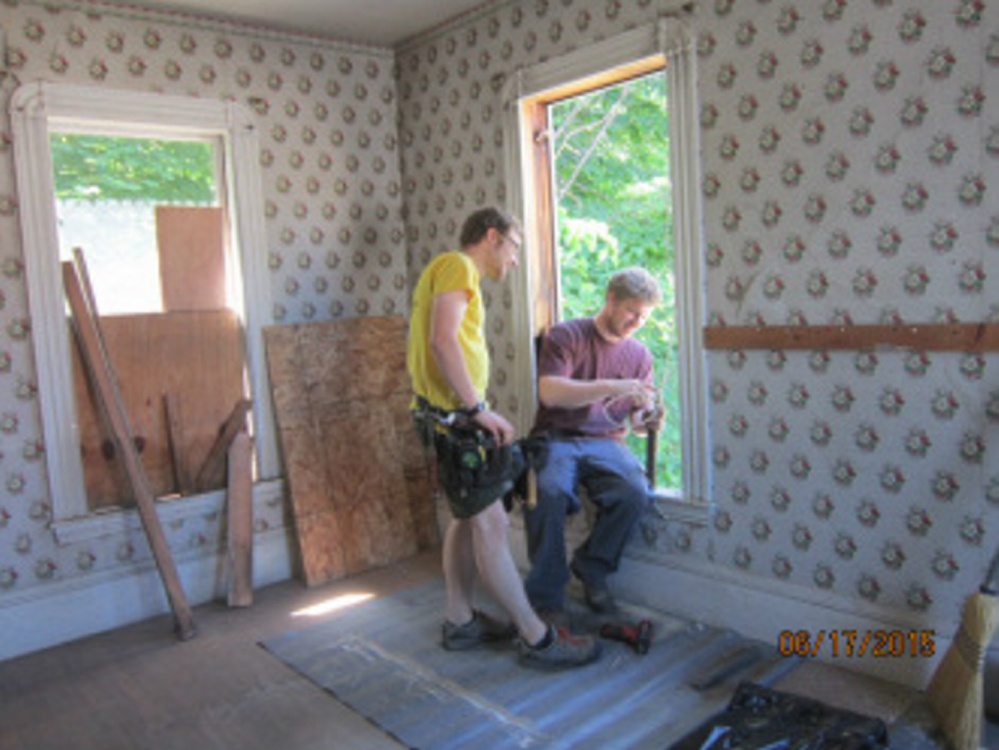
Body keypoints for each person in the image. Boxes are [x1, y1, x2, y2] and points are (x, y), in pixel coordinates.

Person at [407, 206, 601, 670]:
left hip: (444, 416)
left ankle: (460, 620)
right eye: (513, 247)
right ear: (491, 236)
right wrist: (476, 408)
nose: (513, 260)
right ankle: (535, 637)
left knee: (465, 518)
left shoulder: (447, 270)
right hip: (456, 419)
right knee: (491, 526)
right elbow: (443, 341)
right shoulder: (459, 266)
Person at [524, 267, 662, 617]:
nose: (636, 322)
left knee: (635, 492)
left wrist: (647, 419)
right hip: (557, 438)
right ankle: (545, 598)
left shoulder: (640, 356)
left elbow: (637, 421)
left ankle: (592, 568)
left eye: (644, 316)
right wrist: (612, 387)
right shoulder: (567, 335)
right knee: (549, 493)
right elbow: (550, 393)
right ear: (611, 299)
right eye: (632, 311)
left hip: (607, 442)